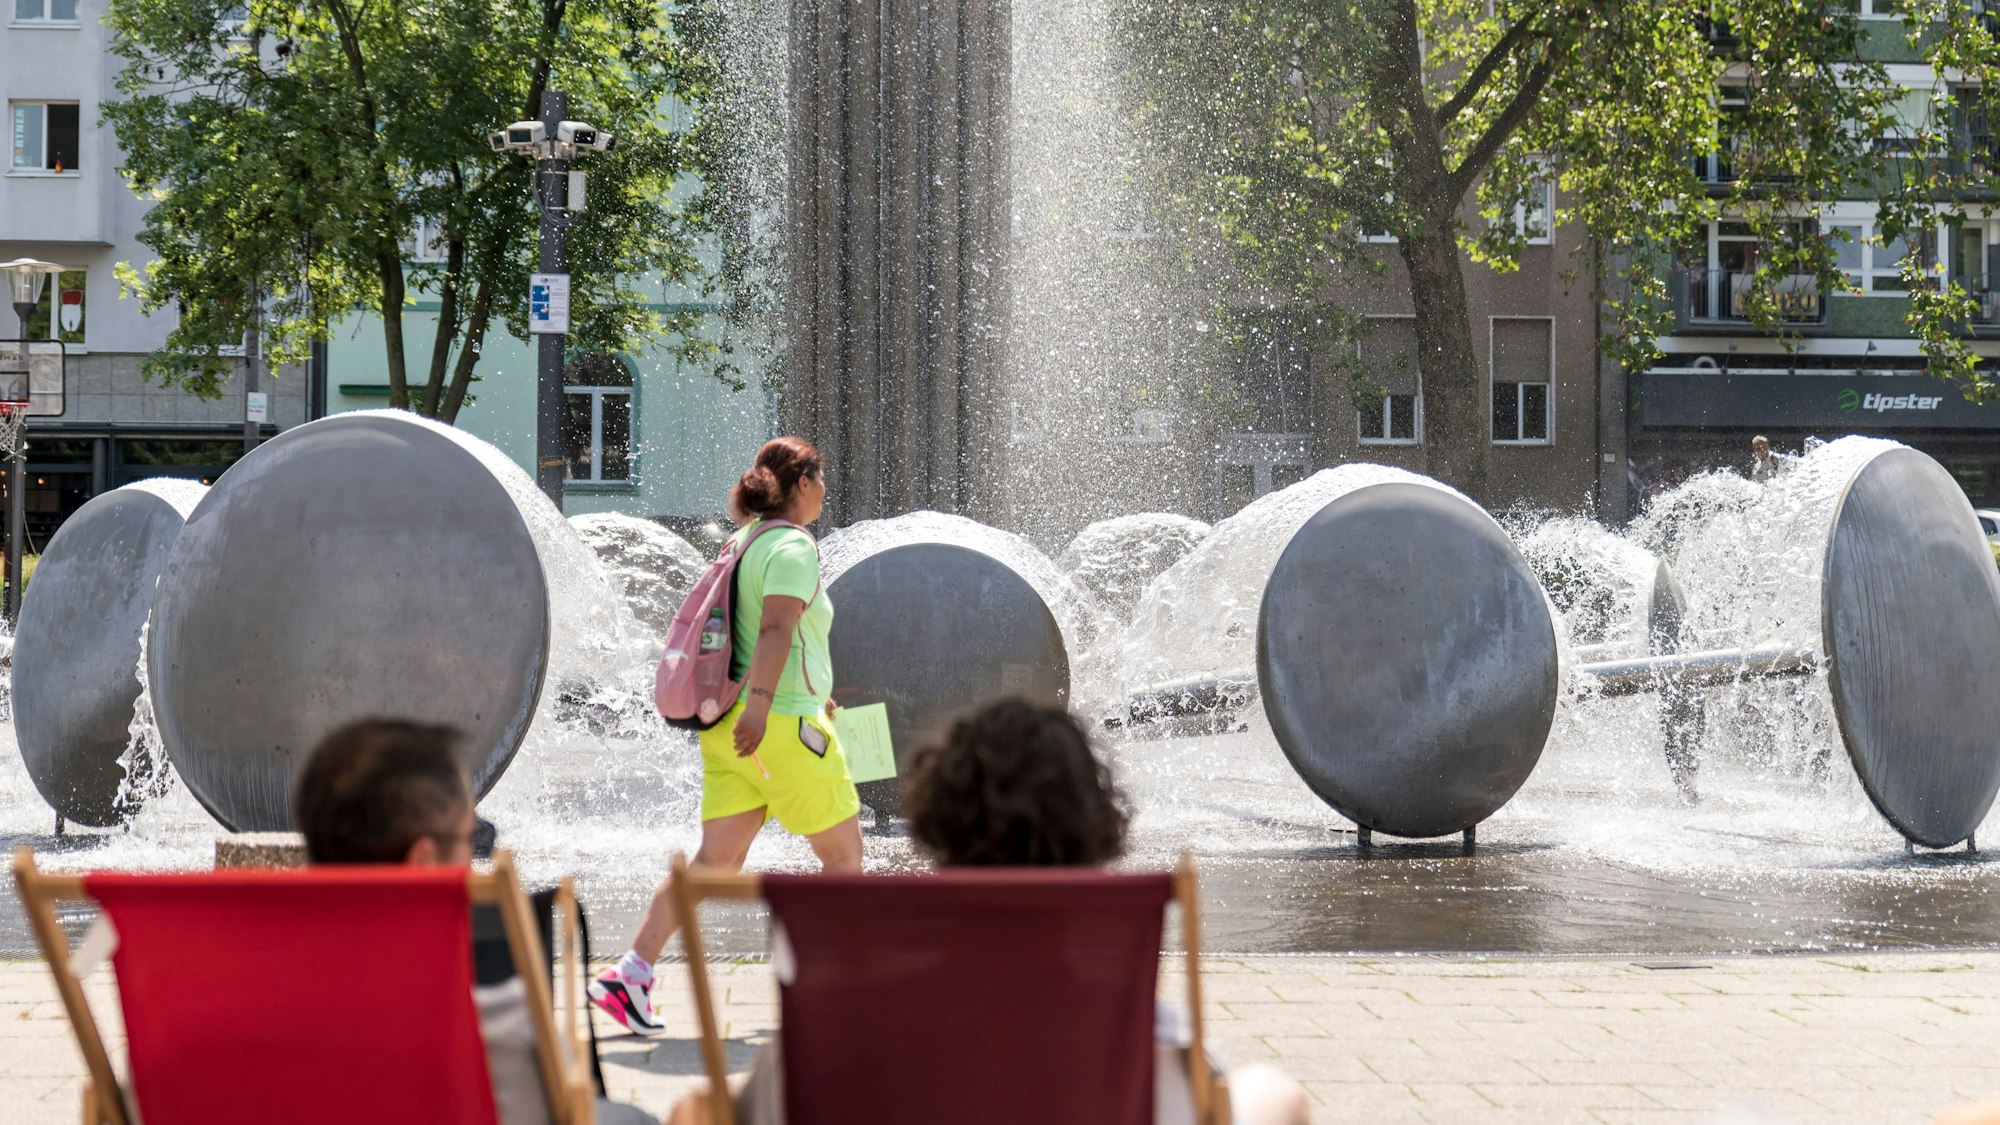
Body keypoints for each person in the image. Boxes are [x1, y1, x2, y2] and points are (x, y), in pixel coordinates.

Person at [702, 698, 1311, 1125]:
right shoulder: (1148, 1050)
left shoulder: (838, 1041)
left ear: (937, 826)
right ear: (1095, 832)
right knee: (1276, 1093)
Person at [592, 436, 863, 1036]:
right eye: (819, 478)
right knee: (844, 858)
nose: (826, 489)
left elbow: (764, 636)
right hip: (777, 727)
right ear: (800, 485)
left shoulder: (743, 541)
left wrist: (801, 695)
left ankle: (629, 973)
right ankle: (831, 992)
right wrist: (767, 708)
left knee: (716, 863)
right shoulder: (792, 545)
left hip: (730, 728)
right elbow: (774, 630)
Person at [293, 718, 655, 1125]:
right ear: (424, 862)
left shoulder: (265, 1010)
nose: (475, 854)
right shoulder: (491, 1029)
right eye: (470, 838)